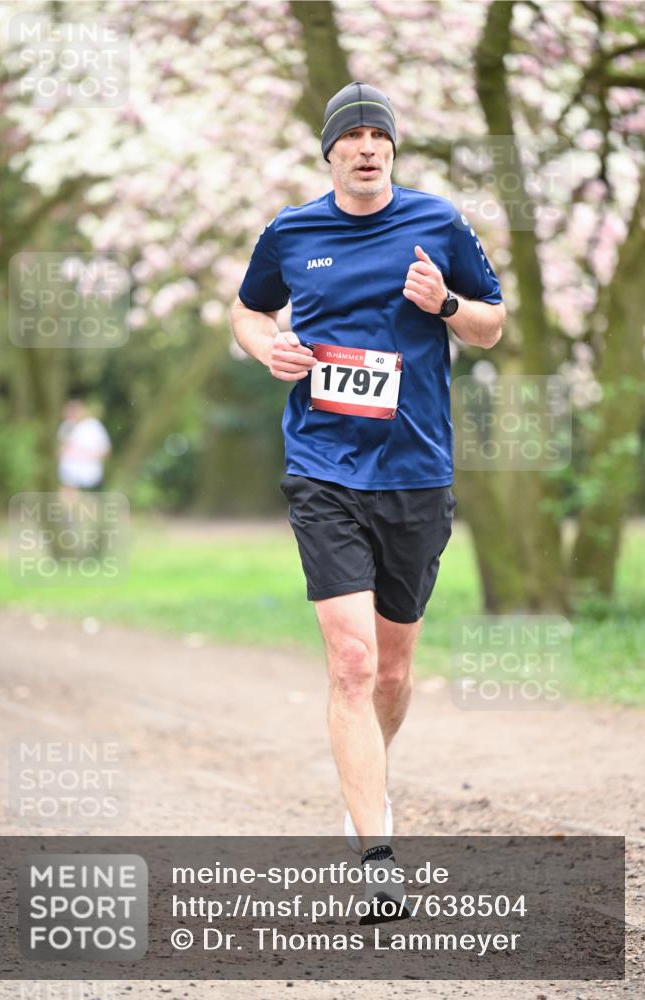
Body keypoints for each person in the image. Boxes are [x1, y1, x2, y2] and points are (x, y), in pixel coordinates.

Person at [230, 81, 504, 922]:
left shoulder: (436, 223)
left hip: (415, 472)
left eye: (377, 136)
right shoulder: (291, 231)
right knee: (349, 663)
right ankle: (375, 853)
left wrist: (445, 304)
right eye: (350, 136)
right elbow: (247, 310)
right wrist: (267, 347)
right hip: (323, 467)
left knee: (390, 670)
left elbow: (491, 323)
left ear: (391, 149)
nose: (365, 147)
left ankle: (364, 784)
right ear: (329, 152)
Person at [57, 399, 111, 495]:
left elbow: (106, 451)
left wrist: (87, 454)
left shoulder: (93, 426)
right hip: (68, 477)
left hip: (89, 477)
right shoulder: (66, 427)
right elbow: (60, 449)